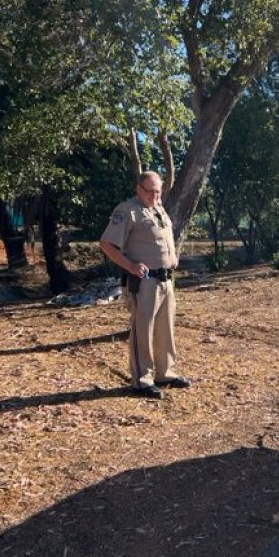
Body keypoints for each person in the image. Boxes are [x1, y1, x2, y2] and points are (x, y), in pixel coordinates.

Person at [99, 171, 190, 399]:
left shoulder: (159, 208)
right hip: (144, 282)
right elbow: (107, 244)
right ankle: (142, 380)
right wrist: (129, 266)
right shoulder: (127, 210)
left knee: (165, 329)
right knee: (143, 331)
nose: (154, 195)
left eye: (158, 191)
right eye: (149, 191)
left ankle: (165, 372)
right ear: (138, 189)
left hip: (166, 280)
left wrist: (173, 256)